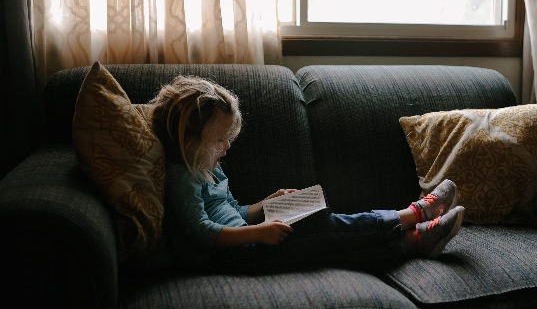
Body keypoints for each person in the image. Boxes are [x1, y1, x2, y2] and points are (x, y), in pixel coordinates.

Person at [150, 75, 465, 272]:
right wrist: (258, 232)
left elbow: (234, 211)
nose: (226, 148)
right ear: (190, 139)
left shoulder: (210, 167)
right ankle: (413, 217)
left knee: (322, 228)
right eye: (219, 140)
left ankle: (413, 241)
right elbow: (203, 232)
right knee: (320, 230)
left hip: (247, 241)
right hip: (234, 257)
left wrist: (264, 205)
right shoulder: (182, 177)